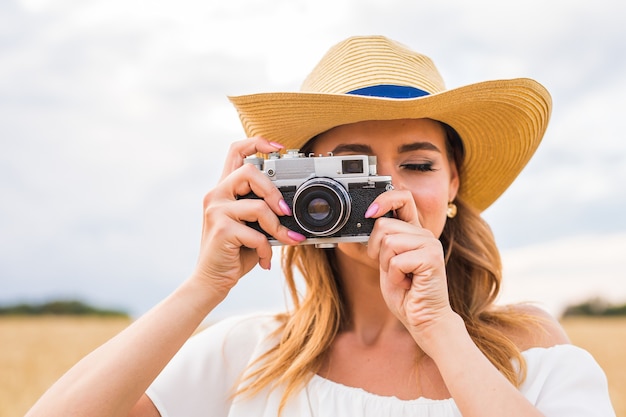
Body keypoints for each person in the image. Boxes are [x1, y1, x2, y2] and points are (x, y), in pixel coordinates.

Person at [27, 35, 615, 417]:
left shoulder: (531, 357)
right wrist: (202, 287)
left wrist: (440, 329)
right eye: (350, 171)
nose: (388, 192)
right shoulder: (246, 357)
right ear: (298, 188)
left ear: (455, 184)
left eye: (417, 164)